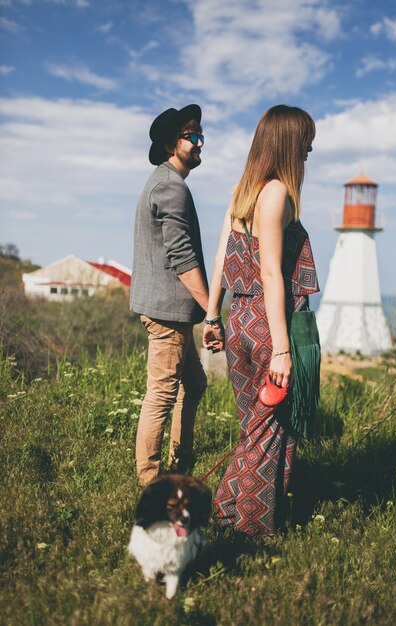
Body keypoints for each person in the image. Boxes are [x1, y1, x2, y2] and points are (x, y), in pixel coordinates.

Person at [203, 105, 320, 537]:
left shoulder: (243, 191)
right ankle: (246, 529)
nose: (308, 150)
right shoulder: (277, 194)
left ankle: (230, 515)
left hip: (239, 319)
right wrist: (283, 348)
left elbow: (221, 259)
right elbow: (272, 273)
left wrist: (212, 317)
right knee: (267, 434)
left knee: (256, 428)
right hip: (269, 325)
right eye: (305, 143)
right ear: (288, 143)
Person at [130, 104, 212, 486]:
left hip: (172, 310)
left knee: (194, 384)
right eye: (191, 135)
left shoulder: (166, 183)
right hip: (168, 311)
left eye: (200, 134)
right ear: (169, 144)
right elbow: (182, 257)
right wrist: (212, 311)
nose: (199, 142)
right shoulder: (171, 188)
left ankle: (182, 457)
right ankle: (150, 481)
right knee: (161, 395)